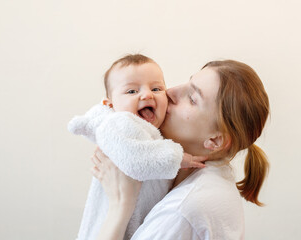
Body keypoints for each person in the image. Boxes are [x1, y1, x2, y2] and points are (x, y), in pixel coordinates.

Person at [91, 60, 270, 240]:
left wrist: (119, 205)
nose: (170, 92)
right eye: (187, 83)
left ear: (215, 140)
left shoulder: (183, 211)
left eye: (192, 99)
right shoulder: (205, 181)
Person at [68, 54, 206, 240]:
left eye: (156, 88)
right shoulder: (118, 123)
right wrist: (178, 158)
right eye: (132, 91)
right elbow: (134, 159)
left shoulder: (154, 132)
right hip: (111, 228)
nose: (147, 94)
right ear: (110, 104)